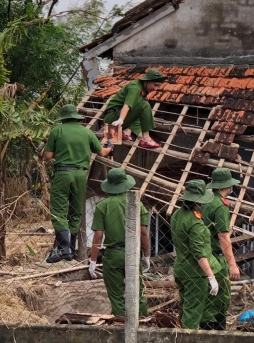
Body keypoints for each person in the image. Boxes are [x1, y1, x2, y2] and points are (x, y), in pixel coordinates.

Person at [44, 104, 113, 263]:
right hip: (81, 175)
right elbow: (102, 152)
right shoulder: (87, 133)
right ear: (76, 117)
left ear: (63, 118)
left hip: (63, 173)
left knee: (59, 211)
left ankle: (65, 248)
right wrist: (109, 146)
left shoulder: (57, 131)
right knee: (75, 212)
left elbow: (48, 155)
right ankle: (70, 249)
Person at [88, 168, 150, 317]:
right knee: (138, 291)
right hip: (132, 251)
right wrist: (146, 255)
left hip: (113, 253)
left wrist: (93, 260)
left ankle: (120, 320)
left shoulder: (103, 205)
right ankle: (142, 319)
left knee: (115, 294)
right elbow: (143, 232)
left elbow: (98, 234)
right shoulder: (137, 203)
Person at [171, 180, 221, 330]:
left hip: (181, 268)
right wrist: (211, 277)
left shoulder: (177, 215)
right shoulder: (195, 223)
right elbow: (199, 254)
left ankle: (180, 338)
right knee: (192, 313)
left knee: (186, 307)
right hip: (195, 273)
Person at [201, 168, 242, 329]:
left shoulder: (206, 200)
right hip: (215, 256)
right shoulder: (220, 205)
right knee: (220, 297)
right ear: (228, 186)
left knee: (208, 295)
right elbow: (223, 237)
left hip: (203, 253)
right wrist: (232, 264)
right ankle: (215, 332)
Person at [103, 69, 168, 149]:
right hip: (113, 118)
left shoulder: (143, 89)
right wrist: (121, 119)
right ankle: (146, 138)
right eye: (155, 85)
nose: (156, 88)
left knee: (144, 114)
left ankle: (127, 132)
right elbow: (127, 105)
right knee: (145, 105)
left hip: (120, 117)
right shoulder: (135, 88)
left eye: (158, 86)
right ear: (147, 81)